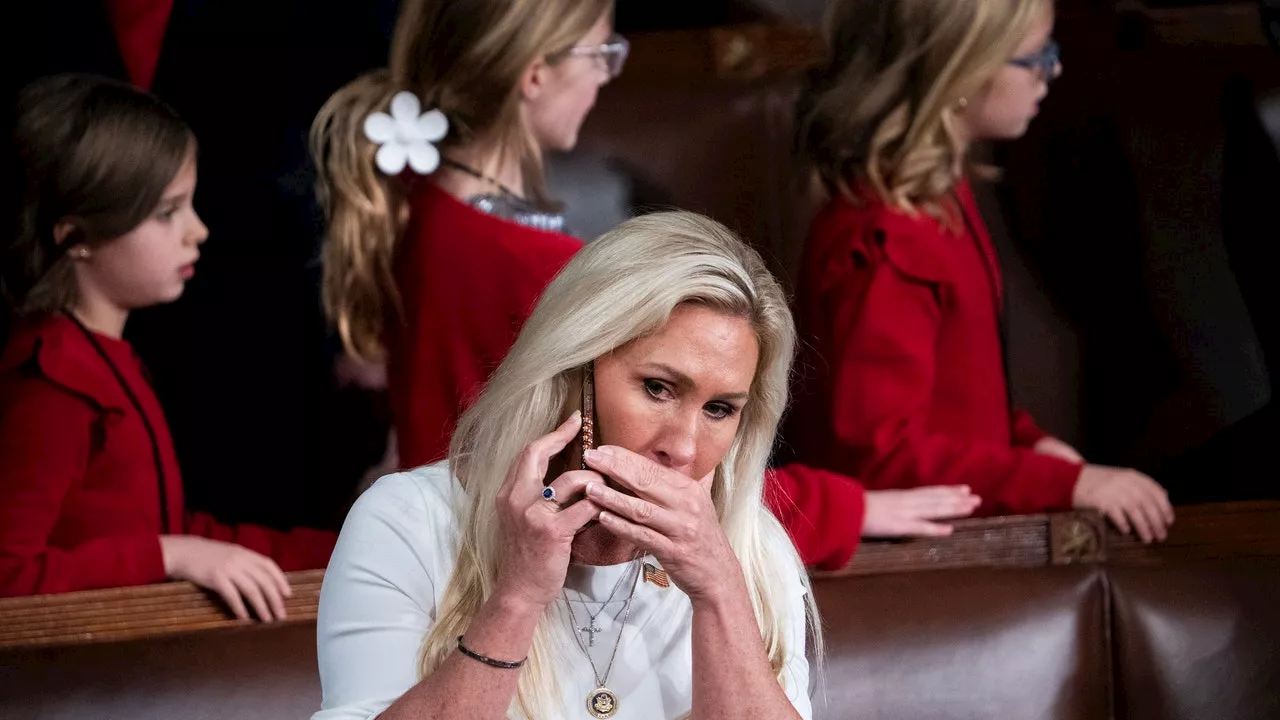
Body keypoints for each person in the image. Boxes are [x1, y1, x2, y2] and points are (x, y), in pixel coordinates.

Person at [315, 212, 817, 719]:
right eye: (658, 388)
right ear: (574, 370)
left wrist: (718, 593)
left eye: (718, 409)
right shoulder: (408, 521)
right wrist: (517, 596)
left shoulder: (753, 551)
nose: (683, 449)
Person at [789, 0, 1175, 541]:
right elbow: (880, 461)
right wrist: (1061, 485)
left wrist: (1030, 445)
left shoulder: (939, 198)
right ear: (960, 70)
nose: (1052, 70)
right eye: (1034, 56)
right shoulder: (886, 241)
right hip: (917, 564)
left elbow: (957, 399)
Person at [0, 74, 335, 618]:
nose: (197, 230)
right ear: (75, 237)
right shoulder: (50, 385)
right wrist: (172, 555)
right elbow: (10, 579)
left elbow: (159, 529)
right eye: (166, 212)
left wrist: (340, 548)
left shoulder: (108, 359)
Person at [312, 0, 627, 469]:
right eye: (600, 52)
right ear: (536, 74)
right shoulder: (545, 263)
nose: (606, 74)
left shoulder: (406, 200)